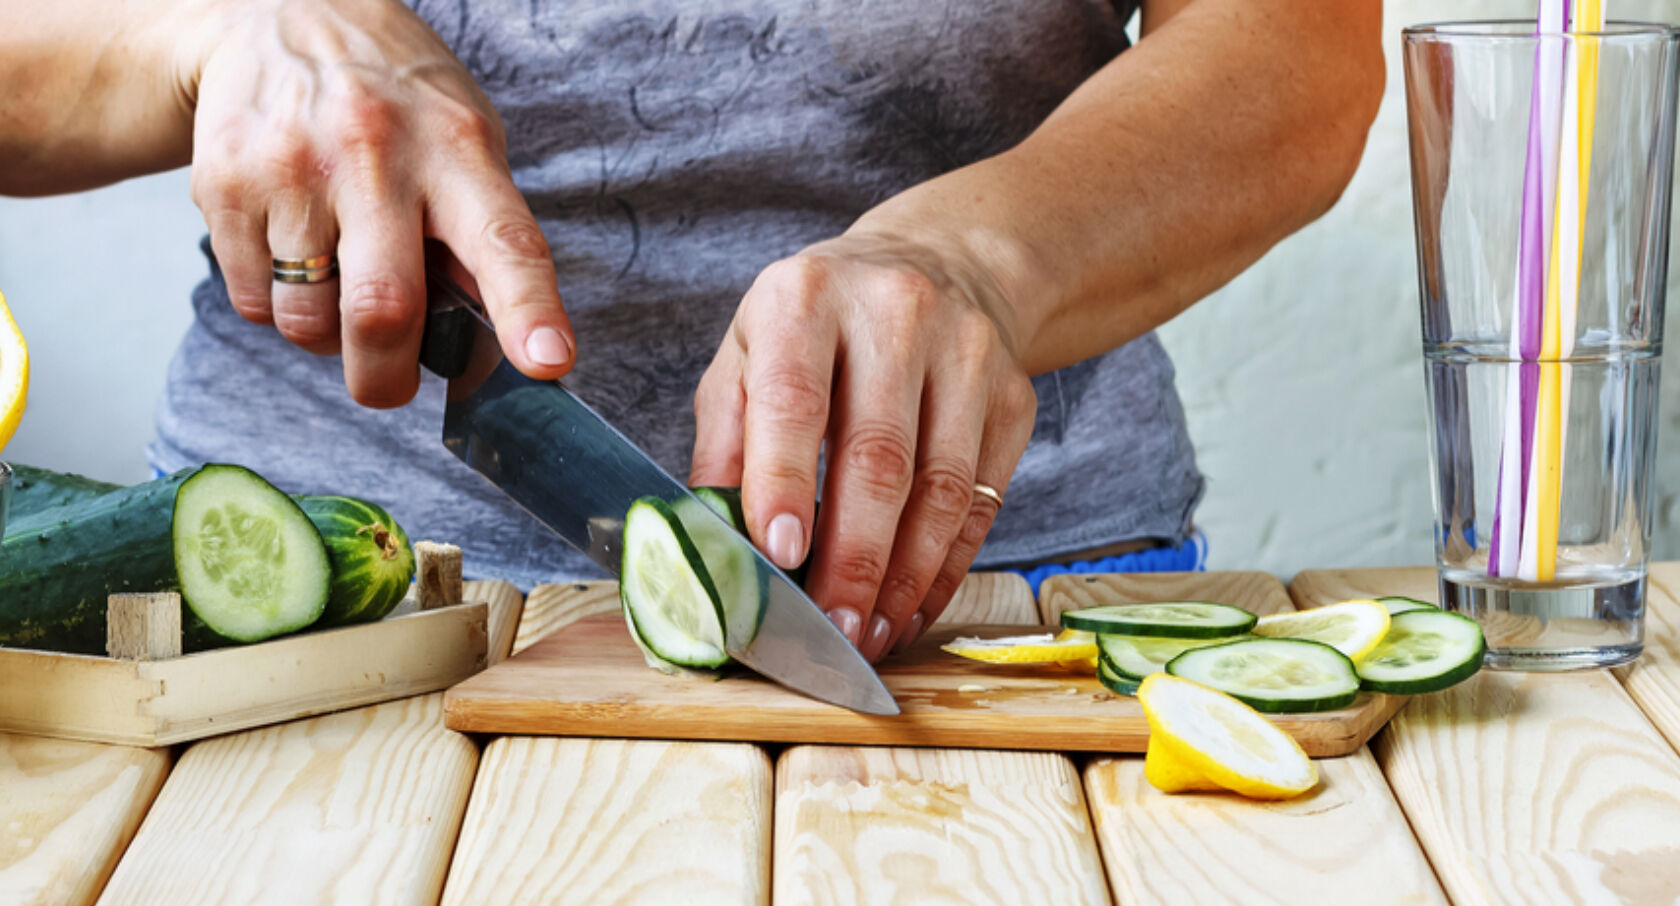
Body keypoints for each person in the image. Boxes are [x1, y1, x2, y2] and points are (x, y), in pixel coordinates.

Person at [0, 0, 1383, 662]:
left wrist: (978, 259)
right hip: (298, 618)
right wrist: (204, 29)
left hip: (998, 609)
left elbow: (1301, 54)